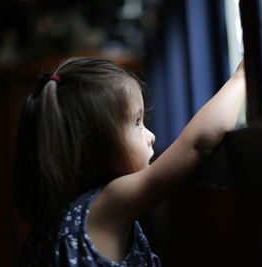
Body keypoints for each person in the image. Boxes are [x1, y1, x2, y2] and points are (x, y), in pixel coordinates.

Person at [15, 57, 246, 266]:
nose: (151, 136)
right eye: (137, 122)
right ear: (91, 144)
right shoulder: (106, 204)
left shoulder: (57, 218)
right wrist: (241, 77)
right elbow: (197, 145)